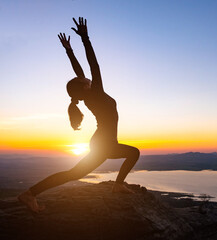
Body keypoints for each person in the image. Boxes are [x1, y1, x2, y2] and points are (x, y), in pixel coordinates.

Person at [17, 17, 140, 213]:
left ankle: (30, 193)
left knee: (73, 173)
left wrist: (69, 51)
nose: (86, 77)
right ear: (84, 86)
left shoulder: (87, 96)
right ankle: (117, 185)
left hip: (102, 142)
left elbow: (80, 71)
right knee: (134, 153)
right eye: (83, 79)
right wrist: (85, 38)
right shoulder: (96, 93)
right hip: (105, 143)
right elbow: (94, 67)